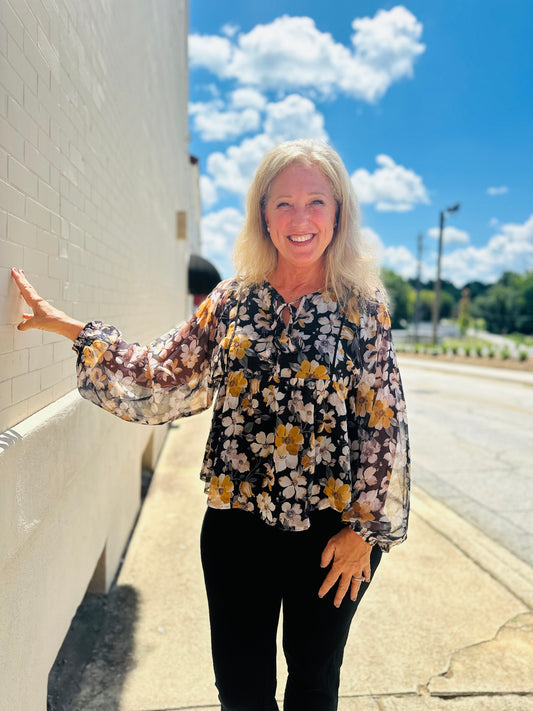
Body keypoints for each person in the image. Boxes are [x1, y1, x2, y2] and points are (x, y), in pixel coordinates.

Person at [11, 139, 410, 711]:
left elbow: (384, 424)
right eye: (284, 204)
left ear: (339, 212)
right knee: (241, 692)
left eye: (316, 202)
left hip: (329, 535)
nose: (301, 219)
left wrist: (365, 534)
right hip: (236, 530)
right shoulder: (231, 300)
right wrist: (70, 328)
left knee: (314, 689)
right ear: (263, 215)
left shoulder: (362, 306)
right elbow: (162, 374)